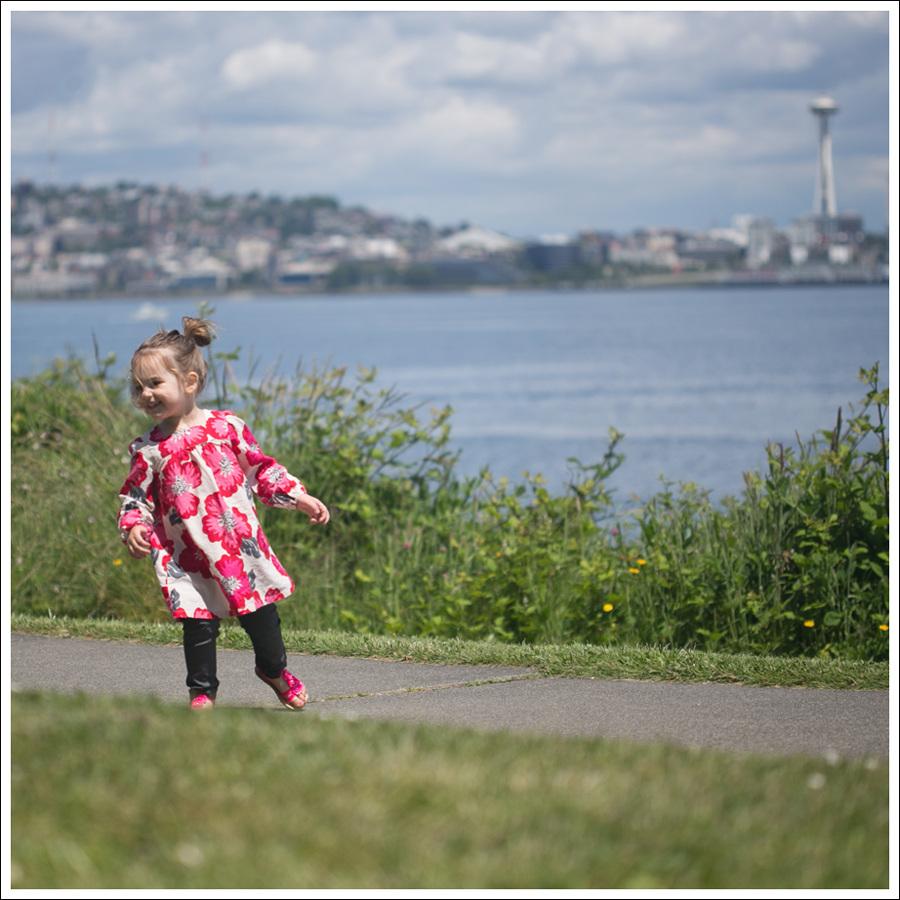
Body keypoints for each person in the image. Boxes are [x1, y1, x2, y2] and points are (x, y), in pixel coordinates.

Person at [117, 316, 329, 711]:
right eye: (138, 386)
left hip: (238, 547)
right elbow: (135, 498)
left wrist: (296, 496)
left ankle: (274, 670)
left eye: (155, 384)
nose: (145, 394)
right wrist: (133, 527)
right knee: (198, 624)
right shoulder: (147, 450)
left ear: (190, 382)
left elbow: (260, 470)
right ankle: (202, 692)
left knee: (261, 618)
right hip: (186, 555)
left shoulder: (227, 427)